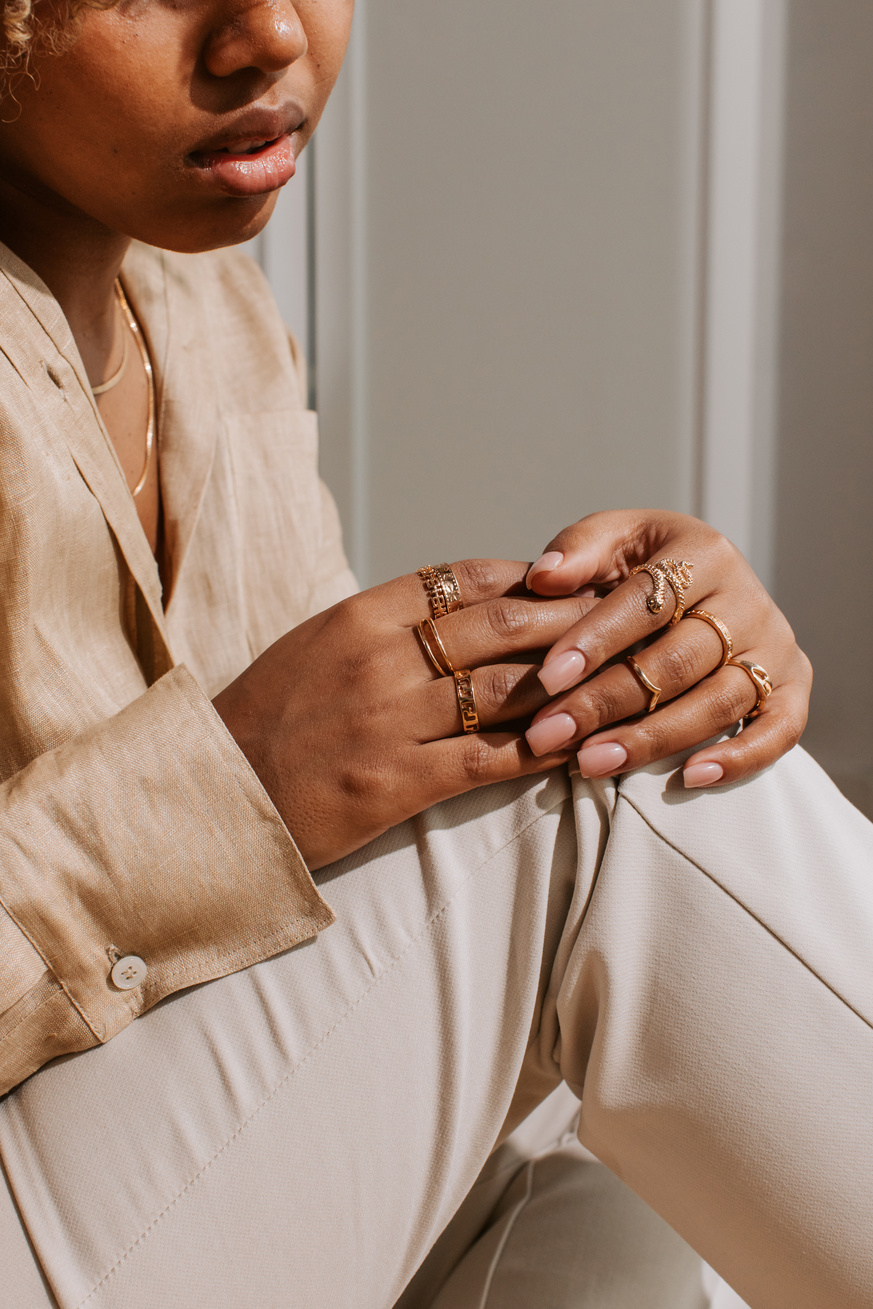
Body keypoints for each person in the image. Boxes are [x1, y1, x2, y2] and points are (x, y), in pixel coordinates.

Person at [0, 0, 870, 1306]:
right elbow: (281, 798)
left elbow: (372, 835)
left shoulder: (198, 300)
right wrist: (231, 780)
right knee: (594, 811)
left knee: (646, 1134)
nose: (267, 32)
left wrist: (667, 658)